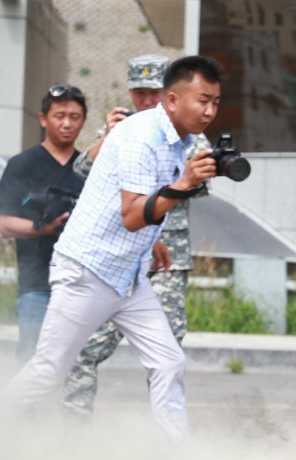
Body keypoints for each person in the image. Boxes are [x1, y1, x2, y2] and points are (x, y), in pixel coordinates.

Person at [5, 55, 223, 443]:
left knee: (169, 362)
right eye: (202, 100)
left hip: (129, 276)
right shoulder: (141, 136)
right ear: (172, 100)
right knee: (47, 372)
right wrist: (185, 184)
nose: (209, 111)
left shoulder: (180, 140)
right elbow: (131, 215)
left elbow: (136, 205)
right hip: (88, 271)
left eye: (215, 103)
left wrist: (152, 242)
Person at [62, 54, 211, 417]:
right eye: (140, 93)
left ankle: (164, 443)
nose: (147, 102)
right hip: (111, 257)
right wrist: (108, 138)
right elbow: (80, 169)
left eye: (154, 93)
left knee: (166, 355)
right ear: (130, 92)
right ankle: (71, 432)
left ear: (170, 95)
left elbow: (199, 187)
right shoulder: (121, 129)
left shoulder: (189, 132)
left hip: (164, 259)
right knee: (84, 347)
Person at [0, 86, 87, 366]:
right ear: (43, 119)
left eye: (74, 116)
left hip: (81, 285)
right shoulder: (22, 164)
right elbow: (5, 224)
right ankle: (18, 411)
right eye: (59, 116)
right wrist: (43, 228)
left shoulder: (88, 167)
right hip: (37, 283)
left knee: (75, 365)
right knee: (31, 359)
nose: (67, 123)